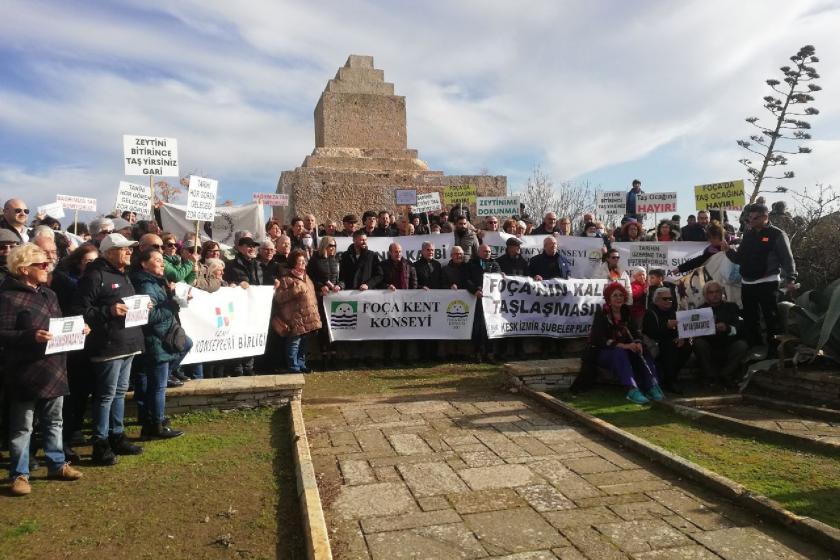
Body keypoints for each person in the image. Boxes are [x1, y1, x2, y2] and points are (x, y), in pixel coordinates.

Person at [1, 244, 87, 496]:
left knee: (54, 421)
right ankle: (19, 473)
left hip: (54, 367)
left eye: (46, 263)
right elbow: (3, 334)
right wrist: (30, 336)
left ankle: (57, 464)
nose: (46, 267)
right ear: (23, 269)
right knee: (22, 426)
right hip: (24, 371)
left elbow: (59, 325)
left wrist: (78, 330)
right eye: (40, 264)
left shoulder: (49, 294)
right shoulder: (7, 296)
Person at [73, 233, 145, 465]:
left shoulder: (124, 274)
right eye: (124, 249)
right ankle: (100, 443)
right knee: (105, 395)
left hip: (128, 343)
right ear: (110, 251)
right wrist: (108, 312)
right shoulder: (95, 276)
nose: (129, 252)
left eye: (130, 249)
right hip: (107, 346)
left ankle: (117, 435)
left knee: (119, 393)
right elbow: (79, 309)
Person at [130, 249, 189, 439]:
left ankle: (153, 419)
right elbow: (149, 316)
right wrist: (172, 305)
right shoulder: (146, 286)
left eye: (162, 260)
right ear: (144, 264)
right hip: (157, 340)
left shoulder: (155, 282)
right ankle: (156, 425)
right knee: (158, 386)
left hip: (162, 339)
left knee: (186, 345)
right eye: (157, 260)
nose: (162, 263)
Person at [725, 203, 796, 357]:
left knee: (770, 317)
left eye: (755, 218)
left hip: (768, 281)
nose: (751, 221)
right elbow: (739, 258)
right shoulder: (749, 234)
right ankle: (755, 347)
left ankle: (774, 350)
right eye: (749, 218)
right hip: (747, 283)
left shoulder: (777, 234)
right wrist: (727, 250)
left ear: (765, 217)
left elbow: (787, 258)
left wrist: (791, 278)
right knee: (751, 318)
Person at [51, 243, 98, 459]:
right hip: (64, 342)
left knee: (81, 392)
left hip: (87, 341)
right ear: (78, 260)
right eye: (88, 261)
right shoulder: (62, 280)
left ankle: (72, 433)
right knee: (68, 396)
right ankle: (61, 442)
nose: (91, 265)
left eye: (94, 262)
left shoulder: (95, 280)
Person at [589, 282, 662, 404]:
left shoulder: (627, 312)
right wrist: (623, 345)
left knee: (642, 349)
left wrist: (637, 342)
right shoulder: (602, 314)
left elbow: (636, 331)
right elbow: (598, 339)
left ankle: (651, 386)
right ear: (609, 299)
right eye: (615, 295)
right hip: (604, 351)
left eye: (621, 295)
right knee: (619, 352)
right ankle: (631, 389)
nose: (618, 298)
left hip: (624, 349)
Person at [692, 281, 749, 387]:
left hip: (728, 344)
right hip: (709, 346)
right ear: (705, 295)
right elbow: (695, 333)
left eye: (717, 291)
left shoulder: (732, 307)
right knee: (698, 343)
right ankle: (710, 377)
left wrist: (727, 328)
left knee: (742, 345)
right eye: (711, 292)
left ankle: (726, 374)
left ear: (722, 292)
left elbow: (740, 327)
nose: (715, 295)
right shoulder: (700, 310)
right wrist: (709, 329)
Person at [273, 250, 321, 373]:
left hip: (307, 316)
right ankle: (293, 366)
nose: (302, 263)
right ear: (293, 263)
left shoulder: (306, 276)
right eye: (299, 261)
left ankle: (301, 364)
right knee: (294, 343)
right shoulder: (285, 278)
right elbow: (279, 297)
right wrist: (295, 290)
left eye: (303, 261)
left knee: (303, 343)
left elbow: (311, 296)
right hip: (294, 317)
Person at [642, 287, 690, 393]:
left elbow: (679, 329)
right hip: (656, 345)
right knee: (669, 346)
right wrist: (666, 327)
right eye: (665, 299)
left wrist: (681, 337)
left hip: (671, 342)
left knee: (687, 346)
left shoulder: (672, 312)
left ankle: (671, 377)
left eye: (670, 299)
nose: (668, 301)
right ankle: (670, 380)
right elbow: (651, 333)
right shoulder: (650, 313)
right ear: (657, 300)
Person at [307, 236, 343, 367]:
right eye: (330, 246)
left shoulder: (337, 260)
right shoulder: (315, 260)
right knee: (322, 328)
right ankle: (323, 356)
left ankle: (333, 354)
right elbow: (309, 278)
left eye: (334, 246)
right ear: (324, 246)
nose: (333, 248)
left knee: (334, 326)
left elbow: (342, 278)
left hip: (335, 298)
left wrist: (340, 285)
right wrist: (320, 286)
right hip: (321, 297)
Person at [381, 242, 418, 363]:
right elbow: (379, 282)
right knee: (388, 330)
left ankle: (405, 357)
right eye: (396, 252)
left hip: (405, 302)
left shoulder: (408, 264)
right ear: (390, 253)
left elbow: (414, 282)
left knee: (404, 330)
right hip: (389, 302)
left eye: (400, 251)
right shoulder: (383, 265)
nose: (398, 254)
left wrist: (411, 296)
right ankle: (387, 358)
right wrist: (387, 286)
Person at [467, 244, 500, 363]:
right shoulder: (471, 264)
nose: (487, 253)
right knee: (478, 328)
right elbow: (467, 280)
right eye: (485, 251)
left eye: (489, 252)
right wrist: (475, 290)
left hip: (491, 302)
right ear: (479, 252)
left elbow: (497, 279)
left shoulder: (495, 264)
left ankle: (490, 353)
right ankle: (477, 353)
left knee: (489, 327)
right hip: (477, 301)